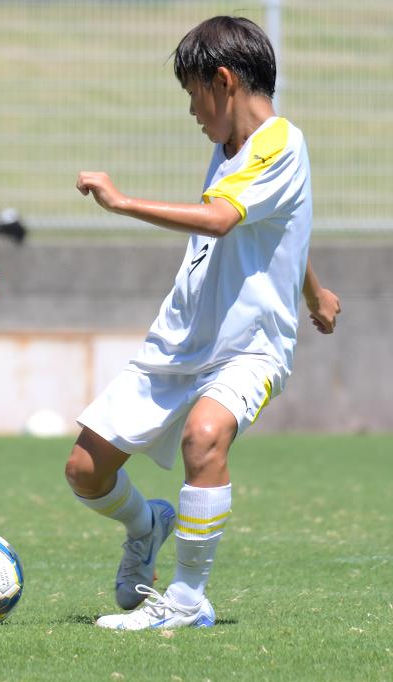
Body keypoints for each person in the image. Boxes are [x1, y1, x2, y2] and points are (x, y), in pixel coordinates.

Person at [69, 16, 342, 630]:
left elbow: (221, 221)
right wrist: (317, 291)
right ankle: (149, 525)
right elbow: (276, 230)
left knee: (205, 436)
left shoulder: (280, 141)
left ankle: (187, 599)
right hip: (179, 339)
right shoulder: (230, 151)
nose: (192, 110)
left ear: (222, 81)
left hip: (250, 348)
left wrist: (121, 201)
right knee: (85, 472)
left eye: (193, 93)